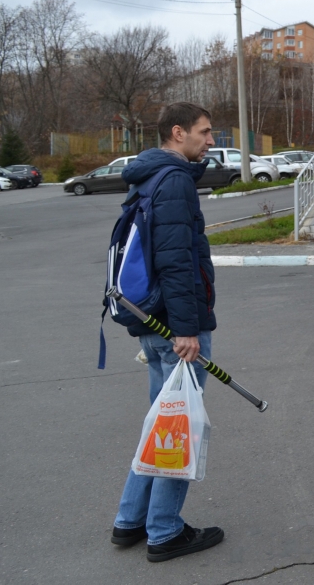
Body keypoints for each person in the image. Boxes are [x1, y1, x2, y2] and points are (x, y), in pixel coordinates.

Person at [111, 102, 224, 562]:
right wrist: (186, 330)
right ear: (178, 133)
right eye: (205, 131)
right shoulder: (175, 180)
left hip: (150, 317)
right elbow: (176, 261)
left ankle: (130, 520)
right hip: (174, 325)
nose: (211, 140)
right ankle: (163, 530)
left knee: (162, 420)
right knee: (179, 425)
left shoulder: (148, 175)